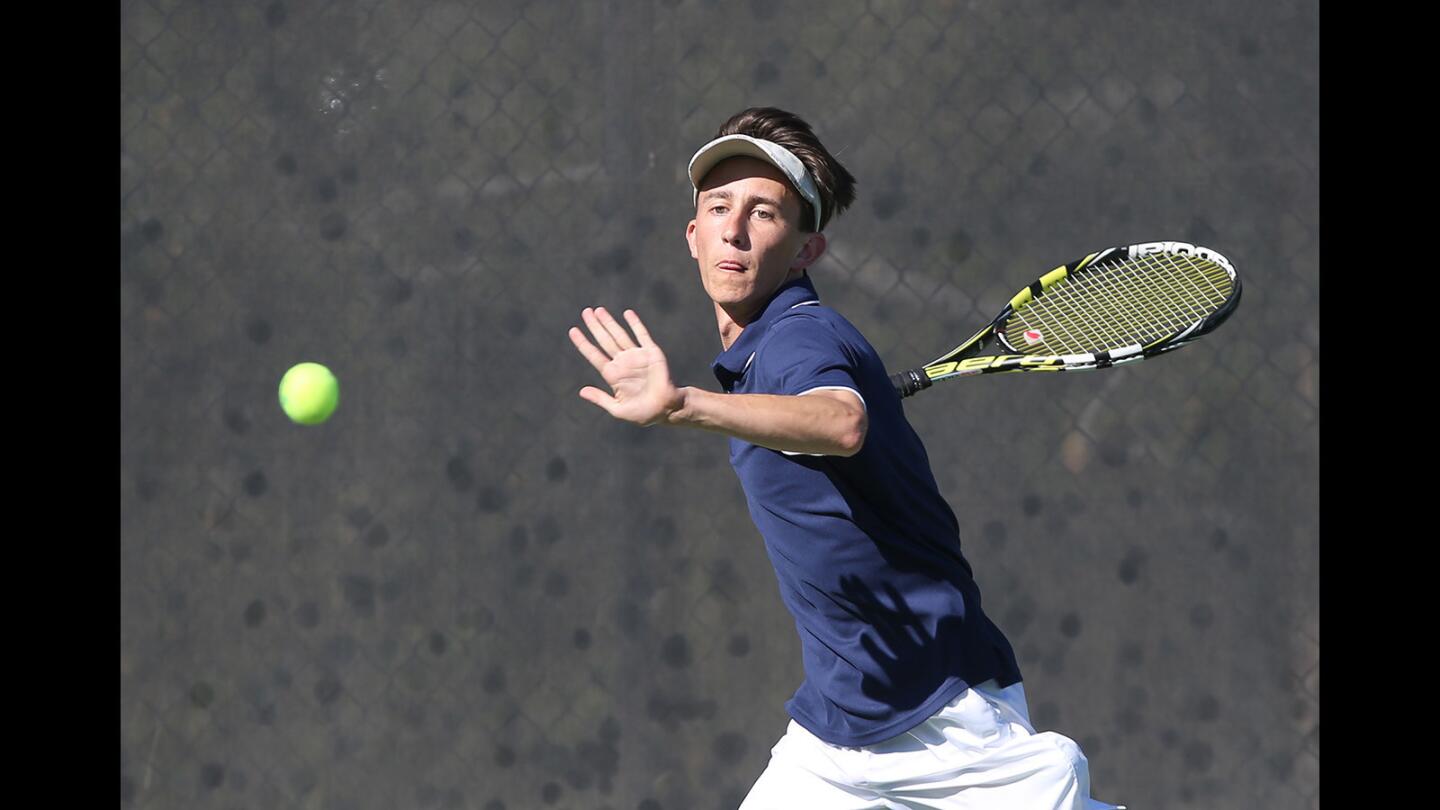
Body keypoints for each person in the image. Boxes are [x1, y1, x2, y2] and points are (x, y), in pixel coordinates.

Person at [568, 107, 1123, 810]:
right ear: (692, 234)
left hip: (944, 725)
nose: (734, 230)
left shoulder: (802, 337)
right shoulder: (760, 359)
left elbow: (842, 420)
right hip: (840, 735)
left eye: (764, 212)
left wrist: (681, 404)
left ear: (807, 251)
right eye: (719, 207)